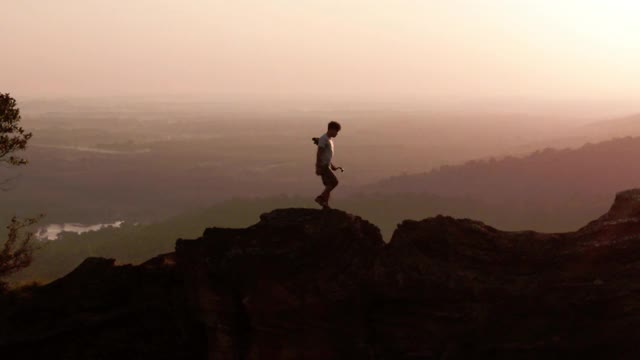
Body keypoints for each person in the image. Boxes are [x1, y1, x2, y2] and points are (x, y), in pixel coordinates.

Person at [314, 121, 343, 209]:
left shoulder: (328, 140)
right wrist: (318, 166)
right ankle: (320, 198)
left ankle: (325, 205)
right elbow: (319, 153)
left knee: (329, 184)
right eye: (336, 131)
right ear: (331, 129)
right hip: (324, 166)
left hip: (327, 165)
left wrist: (332, 166)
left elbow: (326, 155)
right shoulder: (324, 139)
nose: (337, 134)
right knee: (334, 182)